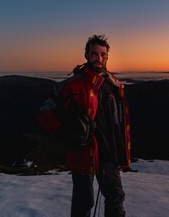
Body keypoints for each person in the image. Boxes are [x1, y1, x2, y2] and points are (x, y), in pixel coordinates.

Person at [38, 34, 131, 217]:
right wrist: (61, 131)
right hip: (82, 152)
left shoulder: (114, 85)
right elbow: (45, 111)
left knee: (115, 197)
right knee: (84, 202)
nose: (99, 58)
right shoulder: (72, 85)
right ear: (87, 55)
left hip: (108, 152)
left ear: (107, 57)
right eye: (94, 54)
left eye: (103, 54)